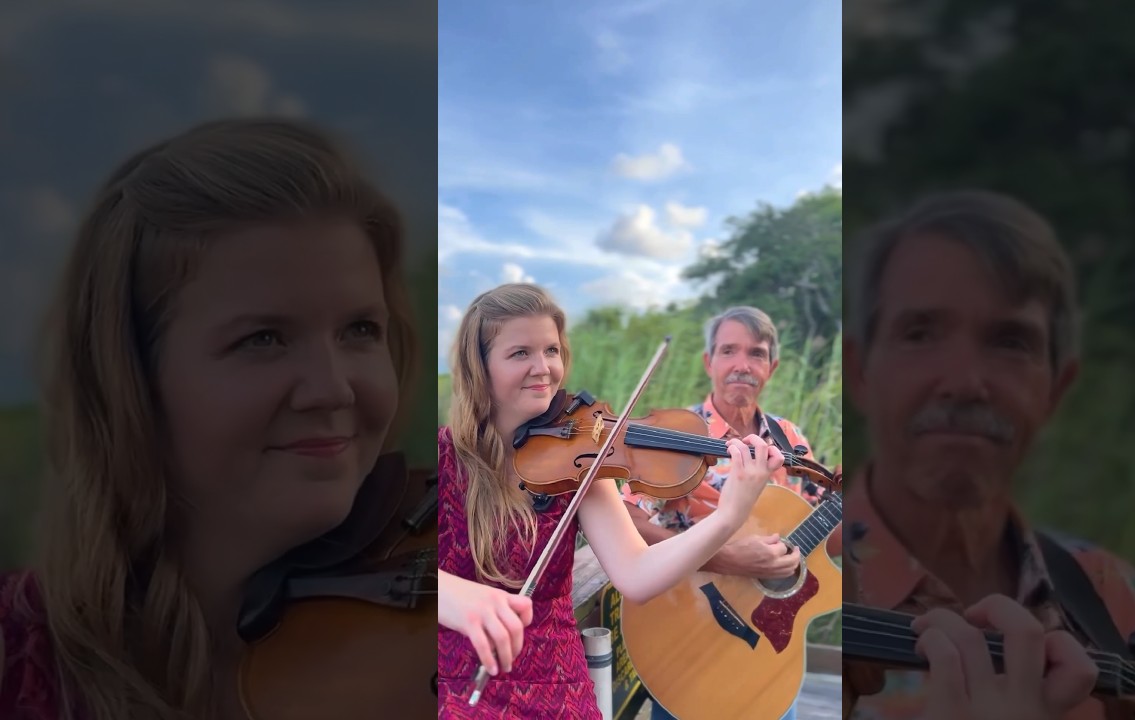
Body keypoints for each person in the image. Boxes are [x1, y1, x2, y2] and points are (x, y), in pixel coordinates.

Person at [0, 118, 423, 720]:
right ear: (131, 377)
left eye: (360, 330)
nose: (332, 390)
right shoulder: (17, 665)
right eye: (264, 338)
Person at [843, 190, 1135, 720]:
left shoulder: (1113, 598)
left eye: (1010, 342)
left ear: (1056, 389)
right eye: (920, 333)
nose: (964, 383)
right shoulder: (783, 583)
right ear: (859, 372)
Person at [436, 283, 783, 719]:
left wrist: (729, 517)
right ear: (478, 365)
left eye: (552, 350)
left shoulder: (582, 464)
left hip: (554, 682)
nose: (543, 368)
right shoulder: (440, 459)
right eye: (520, 353)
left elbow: (636, 575)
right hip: (456, 680)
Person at [619, 305, 840, 720]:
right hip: (687, 632)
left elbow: (821, 537)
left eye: (755, 353)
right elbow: (629, 521)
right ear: (709, 362)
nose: (742, 365)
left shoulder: (788, 437)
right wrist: (725, 558)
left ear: (771, 367)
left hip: (769, 653)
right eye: (728, 351)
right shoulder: (678, 435)